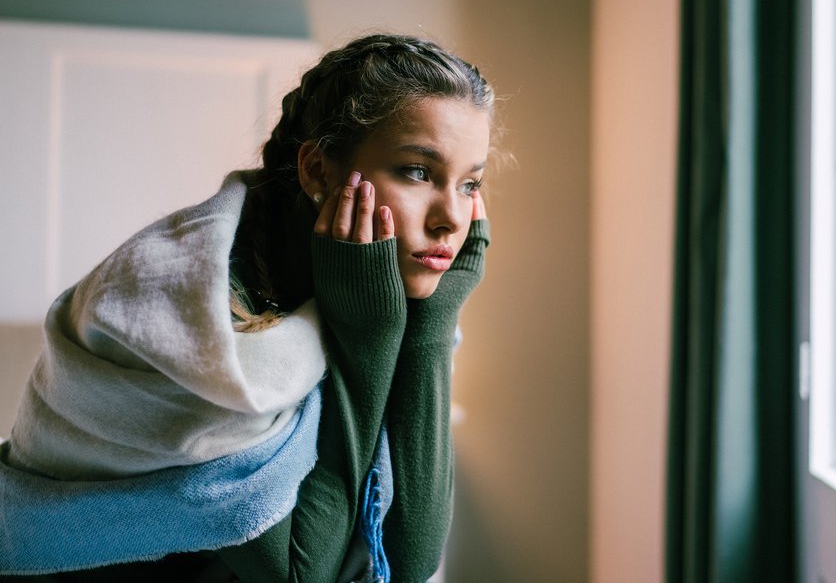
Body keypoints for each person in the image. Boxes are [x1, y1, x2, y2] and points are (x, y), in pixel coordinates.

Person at [0, 34, 496, 583]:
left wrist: (433, 321)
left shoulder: (385, 291)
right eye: (418, 172)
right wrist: (367, 339)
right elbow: (300, 574)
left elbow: (410, 560)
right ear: (318, 171)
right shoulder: (185, 304)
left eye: (470, 183)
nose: (452, 218)